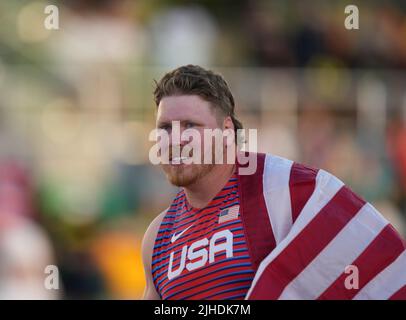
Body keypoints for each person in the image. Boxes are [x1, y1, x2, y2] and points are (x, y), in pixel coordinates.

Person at [141, 65, 406, 300]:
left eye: (190, 125)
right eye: (165, 127)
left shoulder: (285, 194)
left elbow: (383, 278)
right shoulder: (157, 238)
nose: (175, 139)